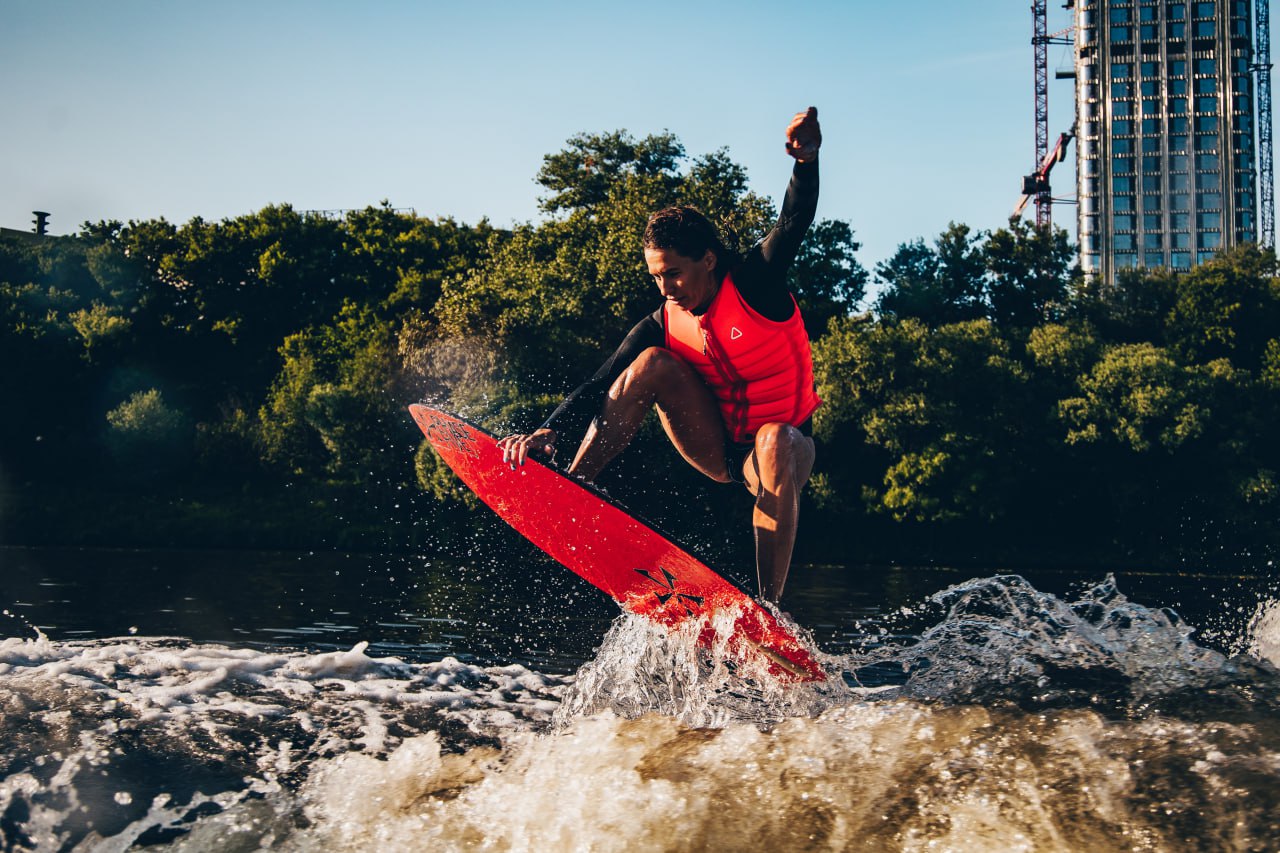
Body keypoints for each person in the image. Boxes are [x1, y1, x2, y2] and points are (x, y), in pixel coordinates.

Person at [498, 107, 823, 603]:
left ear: (707, 261)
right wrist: (551, 428)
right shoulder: (663, 322)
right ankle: (576, 488)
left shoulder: (754, 283)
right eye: (656, 276)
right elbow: (602, 380)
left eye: (673, 273)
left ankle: (767, 609)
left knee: (776, 437)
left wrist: (806, 161)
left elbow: (793, 220)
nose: (665, 287)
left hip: (782, 453)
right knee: (649, 364)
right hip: (716, 447)